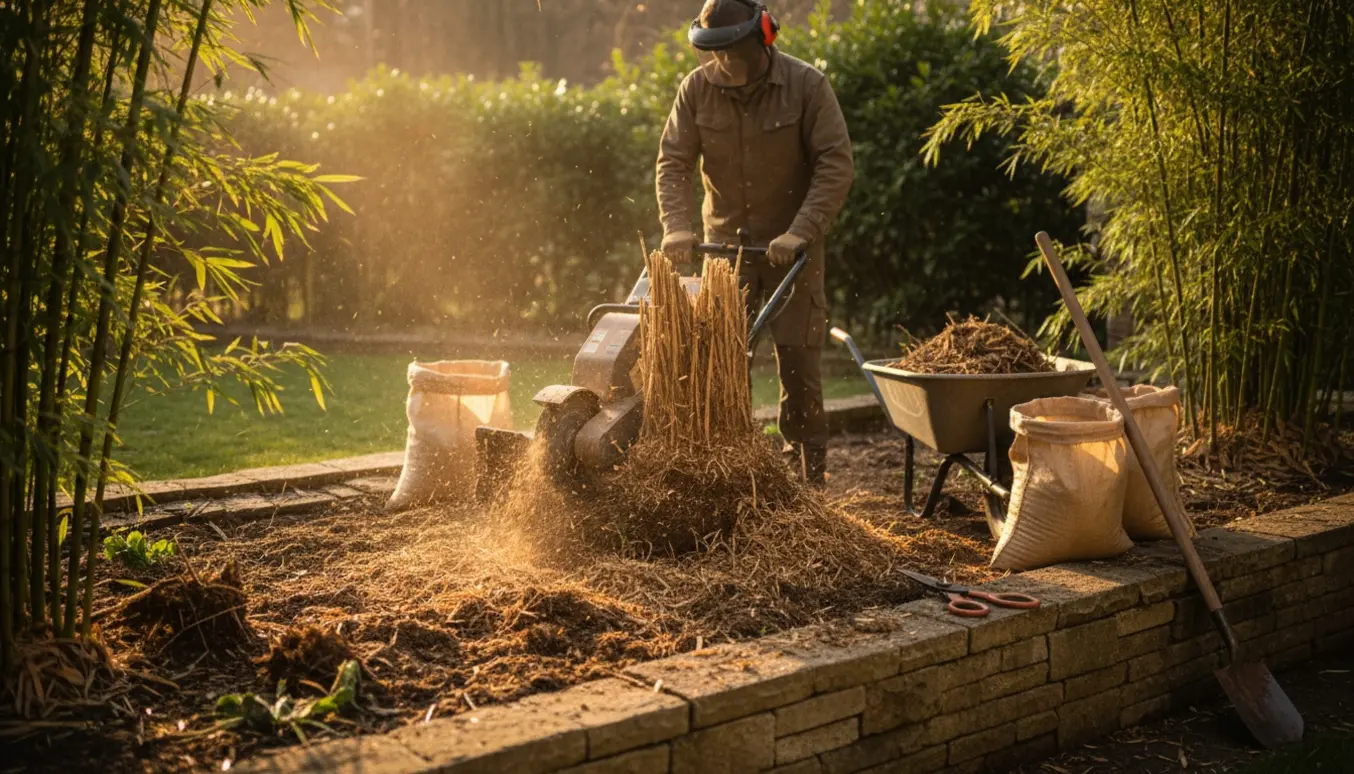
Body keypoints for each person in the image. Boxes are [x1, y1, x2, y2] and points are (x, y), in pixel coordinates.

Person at [655, 0, 854, 487]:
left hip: (792, 248)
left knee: (799, 358)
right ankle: (731, 467)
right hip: (723, 250)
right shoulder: (696, 89)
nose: (722, 63)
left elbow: (835, 164)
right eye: (713, 52)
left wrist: (800, 231)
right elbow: (673, 163)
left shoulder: (807, 86)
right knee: (721, 358)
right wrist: (677, 227)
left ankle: (807, 476)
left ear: (761, 37)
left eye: (730, 51)